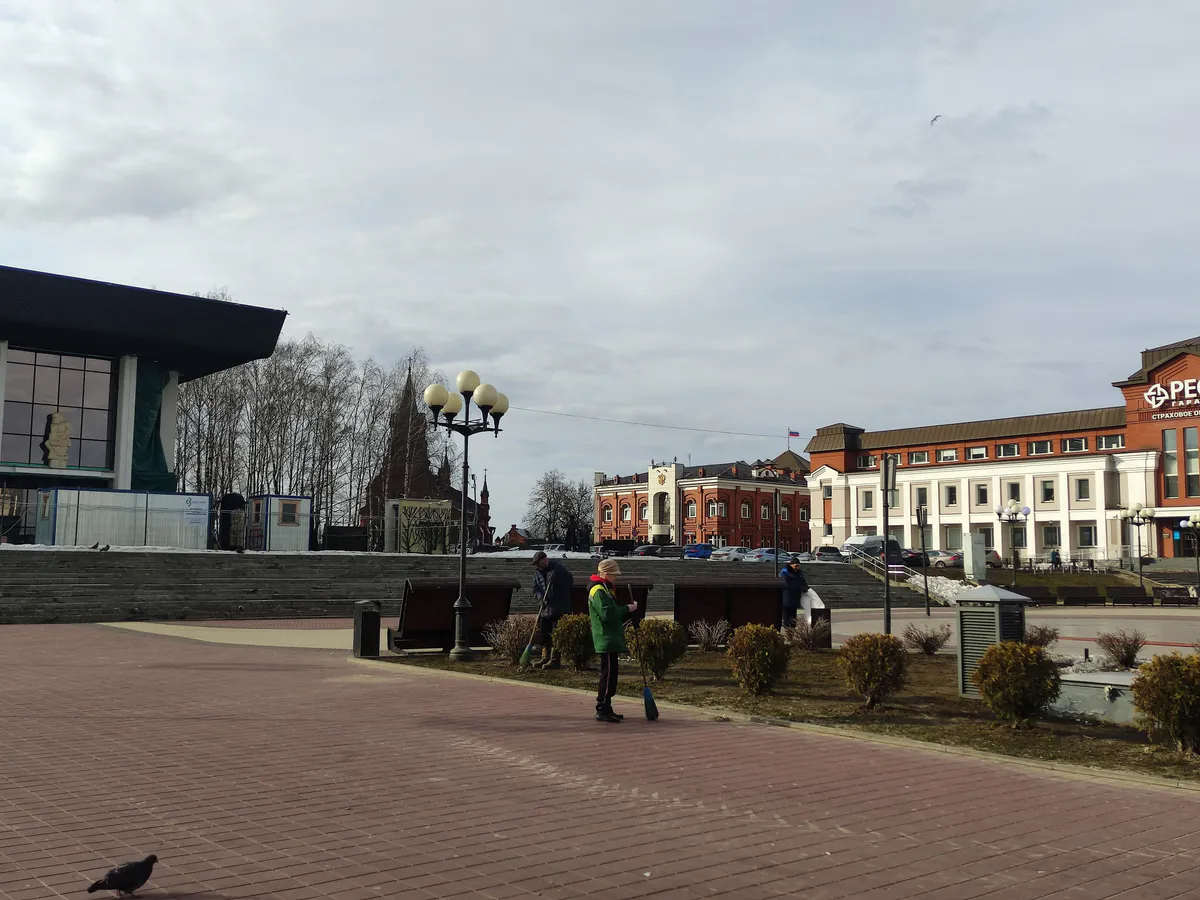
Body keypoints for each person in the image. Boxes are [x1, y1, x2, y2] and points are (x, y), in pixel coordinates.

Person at [588, 557, 636, 722]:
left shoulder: (605, 588)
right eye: (614, 574)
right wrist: (626, 609)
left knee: (611, 674)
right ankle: (602, 708)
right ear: (605, 573)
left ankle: (607, 707)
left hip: (610, 637)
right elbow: (607, 614)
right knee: (608, 675)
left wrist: (626, 610)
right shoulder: (598, 590)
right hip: (605, 637)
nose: (616, 577)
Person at [531, 550, 574, 669]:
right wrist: (540, 599)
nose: (538, 565)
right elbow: (535, 589)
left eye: (539, 563)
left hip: (558, 607)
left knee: (555, 634)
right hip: (545, 608)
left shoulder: (558, 569)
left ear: (545, 560)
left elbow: (569, 581)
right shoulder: (537, 573)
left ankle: (555, 660)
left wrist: (558, 580)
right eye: (536, 564)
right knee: (545, 634)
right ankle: (545, 657)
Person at [779, 555, 810, 629]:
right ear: (791, 565)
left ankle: (792, 630)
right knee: (787, 617)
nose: (797, 568)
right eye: (796, 566)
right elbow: (787, 584)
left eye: (798, 566)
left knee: (793, 617)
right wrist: (800, 586)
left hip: (795, 598)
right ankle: (788, 630)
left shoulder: (799, 573)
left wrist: (806, 587)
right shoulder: (785, 572)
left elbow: (802, 581)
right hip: (786, 597)